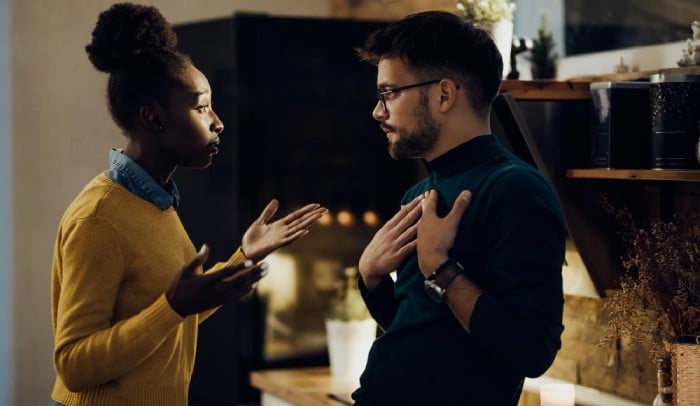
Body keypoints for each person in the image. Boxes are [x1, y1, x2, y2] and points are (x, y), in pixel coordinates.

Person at [49, 4, 326, 405]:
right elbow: (74, 365)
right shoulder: (99, 219)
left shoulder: (155, 202)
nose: (218, 122)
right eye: (201, 108)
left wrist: (244, 257)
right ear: (153, 118)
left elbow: (178, 312)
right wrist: (172, 306)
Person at [353, 11, 566, 405]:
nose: (377, 112)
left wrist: (440, 266)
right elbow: (424, 332)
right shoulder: (419, 192)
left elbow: (531, 350)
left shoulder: (515, 190)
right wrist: (371, 278)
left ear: (444, 94)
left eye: (389, 93)